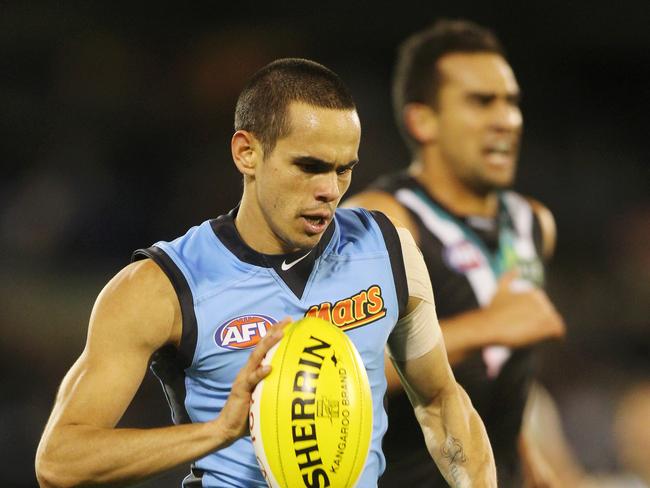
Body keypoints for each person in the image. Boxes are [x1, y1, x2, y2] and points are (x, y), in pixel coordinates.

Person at [35, 58, 496, 488]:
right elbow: (60, 460)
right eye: (309, 166)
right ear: (247, 153)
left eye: (343, 170)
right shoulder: (164, 286)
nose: (329, 191)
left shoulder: (387, 249)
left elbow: (440, 402)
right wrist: (218, 431)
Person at [343, 20, 567, 487]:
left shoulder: (533, 224)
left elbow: (497, 380)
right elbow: (337, 372)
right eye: (481, 102)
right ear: (421, 120)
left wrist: (532, 465)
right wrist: (485, 327)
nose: (506, 119)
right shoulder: (380, 221)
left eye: (511, 102)